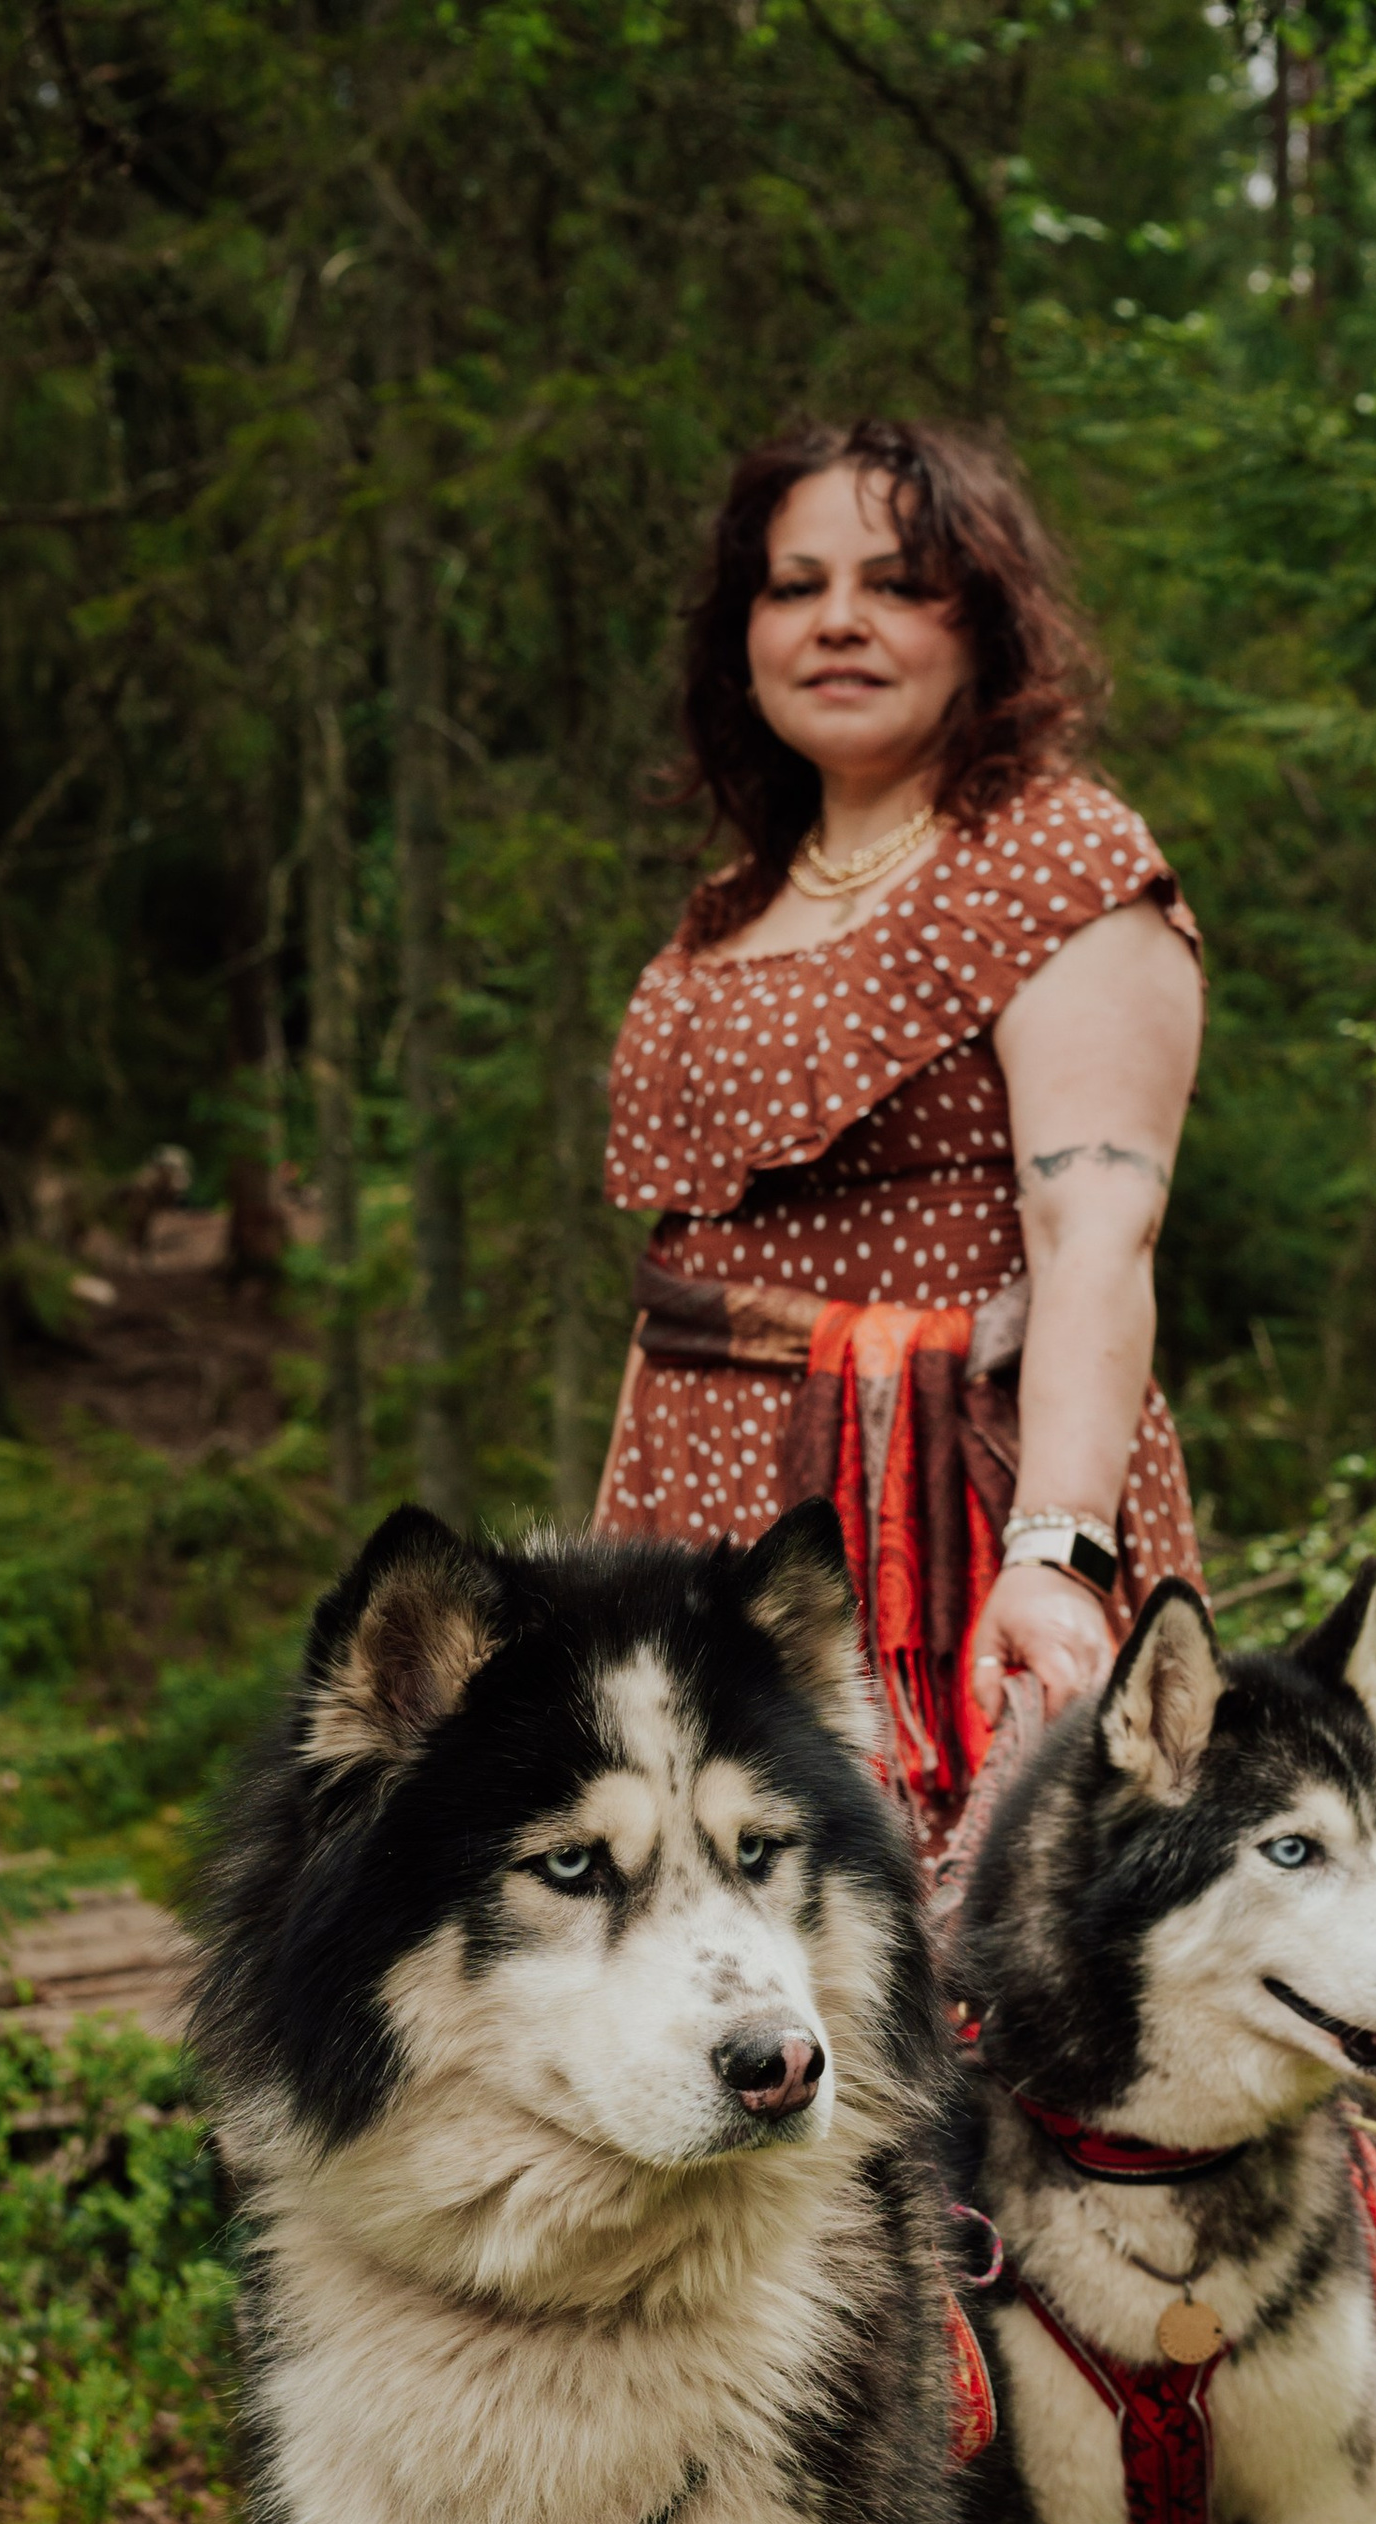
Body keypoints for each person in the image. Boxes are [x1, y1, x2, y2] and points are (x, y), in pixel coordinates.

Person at [595, 417, 1207, 1857]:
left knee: (986, 1961)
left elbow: (1097, 1231)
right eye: (794, 585)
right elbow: (683, 1268)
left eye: (898, 583)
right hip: (703, 1527)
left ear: (982, 621)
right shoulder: (729, 911)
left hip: (958, 1519)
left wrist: (1061, 1553)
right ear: (742, 634)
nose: (839, 624)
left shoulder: (1057, 859)